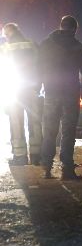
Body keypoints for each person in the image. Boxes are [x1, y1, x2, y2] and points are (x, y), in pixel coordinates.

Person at [38, 15, 82, 180]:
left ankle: (46, 166)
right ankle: (67, 168)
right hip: (70, 94)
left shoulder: (46, 44)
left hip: (51, 93)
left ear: (60, 26)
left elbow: (36, 67)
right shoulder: (76, 46)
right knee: (68, 131)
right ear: (75, 29)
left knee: (49, 130)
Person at [0, 23, 42, 166]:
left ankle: (20, 156)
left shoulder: (5, 49)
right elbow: (41, 65)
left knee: (16, 122)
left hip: (14, 89)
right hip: (32, 89)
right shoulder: (31, 44)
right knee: (35, 121)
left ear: (7, 33)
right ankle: (37, 155)